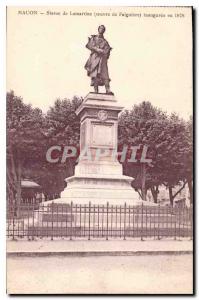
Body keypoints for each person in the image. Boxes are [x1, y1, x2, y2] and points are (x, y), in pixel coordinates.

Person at [85, 25, 113, 94]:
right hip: (94, 58)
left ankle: (108, 89)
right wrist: (97, 49)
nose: (102, 30)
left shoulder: (105, 42)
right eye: (101, 29)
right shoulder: (94, 38)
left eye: (103, 29)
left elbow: (107, 51)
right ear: (98, 29)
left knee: (105, 75)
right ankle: (96, 90)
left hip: (102, 60)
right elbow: (89, 45)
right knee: (94, 75)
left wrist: (106, 51)